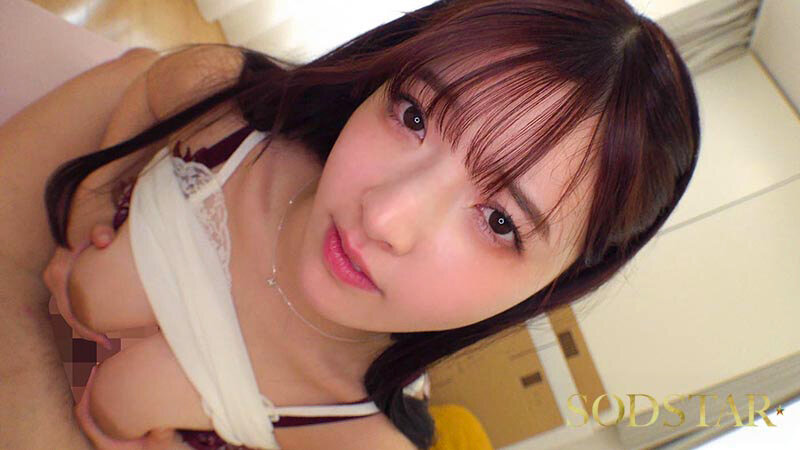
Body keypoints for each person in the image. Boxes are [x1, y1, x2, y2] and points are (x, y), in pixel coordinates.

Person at [1, 0, 700, 448]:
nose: (387, 217)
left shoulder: (351, 441)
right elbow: (146, 82)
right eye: (415, 116)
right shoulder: (223, 115)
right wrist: (96, 193)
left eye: (497, 220)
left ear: (554, 286)